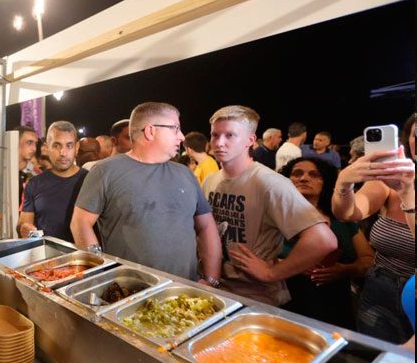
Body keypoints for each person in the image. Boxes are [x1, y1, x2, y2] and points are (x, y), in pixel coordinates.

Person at [202, 105, 337, 306]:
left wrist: (271, 273)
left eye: (230, 135)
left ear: (250, 140)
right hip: (215, 288)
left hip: (253, 295)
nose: (219, 143)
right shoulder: (210, 180)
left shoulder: (270, 182)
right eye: (215, 135)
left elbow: (323, 240)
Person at [71, 102, 221, 282]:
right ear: (150, 131)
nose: (181, 137)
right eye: (175, 128)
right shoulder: (105, 171)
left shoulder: (185, 174)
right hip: (129, 290)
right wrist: (99, 270)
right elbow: (80, 223)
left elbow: (206, 226)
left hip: (184, 290)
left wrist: (211, 279)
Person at [332, 114, 415, 345]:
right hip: (380, 287)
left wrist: (408, 194)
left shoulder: (404, 187)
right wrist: (344, 183)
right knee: (373, 356)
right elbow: (347, 214)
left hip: (413, 291)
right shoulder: (392, 181)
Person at [280, 157, 374, 329]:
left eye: (314, 175)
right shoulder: (275, 216)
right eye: (297, 174)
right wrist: (291, 265)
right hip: (287, 303)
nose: (304, 178)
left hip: (335, 304)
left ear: (326, 182)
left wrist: (345, 270)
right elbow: (258, 258)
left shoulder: (341, 219)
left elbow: (368, 260)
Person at [18, 121, 88, 241]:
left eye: (69, 146)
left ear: (77, 148)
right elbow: (24, 223)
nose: (63, 153)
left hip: (82, 252)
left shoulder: (91, 181)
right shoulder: (34, 184)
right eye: (56, 146)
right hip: (45, 251)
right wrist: (24, 229)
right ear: (46, 147)